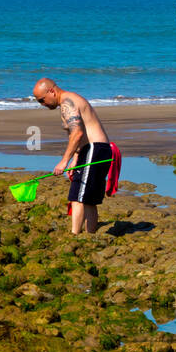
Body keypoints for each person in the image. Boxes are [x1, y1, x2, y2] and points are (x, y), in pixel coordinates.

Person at [31, 77, 120, 234]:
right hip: (98, 150)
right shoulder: (69, 100)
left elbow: (77, 133)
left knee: (77, 197)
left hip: (94, 149)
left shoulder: (67, 102)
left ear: (51, 91)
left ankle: (74, 236)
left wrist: (64, 161)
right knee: (89, 200)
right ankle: (90, 236)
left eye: (42, 100)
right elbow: (82, 133)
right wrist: (76, 159)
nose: (42, 105)